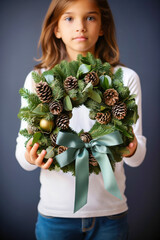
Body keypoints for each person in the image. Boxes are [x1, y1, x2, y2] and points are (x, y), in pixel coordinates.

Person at [15, 0, 147, 239]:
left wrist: (130, 148)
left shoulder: (124, 79)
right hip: (55, 217)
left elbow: (137, 157)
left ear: (103, 26)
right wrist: (30, 156)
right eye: (69, 18)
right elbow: (23, 157)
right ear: (56, 29)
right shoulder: (39, 80)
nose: (80, 27)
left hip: (111, 216)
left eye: (90, 17)